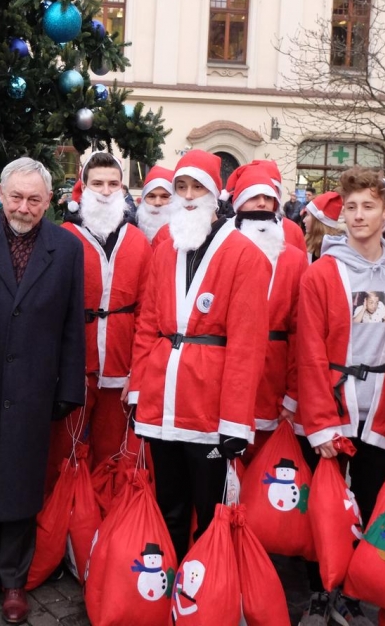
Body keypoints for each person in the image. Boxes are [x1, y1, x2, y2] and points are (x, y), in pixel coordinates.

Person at [0, 157, 84, 624]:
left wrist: (68, 386)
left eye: (33, 199)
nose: (23, 207)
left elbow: (73, 323)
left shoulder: (67, 249)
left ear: (49, 201)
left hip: (34, 386)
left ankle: (14, 581)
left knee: (23, 486)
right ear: (0, 193)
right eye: (16, 197)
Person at [129, 149, 271, 563]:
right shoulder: (165, 248)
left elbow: (248, 348)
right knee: (169, 506)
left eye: (198, 187)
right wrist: (139, 392)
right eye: (182, 187)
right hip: (162, 402)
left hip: (208, 409)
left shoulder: (245, 255)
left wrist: (235, 421)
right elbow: (148, 324)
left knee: (210, 513)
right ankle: (168, 583)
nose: (188, 196)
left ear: (215, 193)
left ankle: (206, 593)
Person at [297, 167, 385, 626]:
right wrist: (320, 423)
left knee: (368, 502)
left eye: (368, 206)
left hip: (382, 407)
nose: (358, 215)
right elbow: (309, 353)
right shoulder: (321, 274)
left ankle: (351, 590)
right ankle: (318, 588)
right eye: (350, 207)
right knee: (322, 506)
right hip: (333, 405)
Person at [48, 152, 151, 480]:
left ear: (123, 188)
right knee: (63, 452)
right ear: (84, 186)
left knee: (112, 457)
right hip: (76, 366)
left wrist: (139, 369)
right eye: (98, 183)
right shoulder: (65, 237)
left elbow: (148, 309)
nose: (106, 191)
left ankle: (106, 525)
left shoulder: (138, 241)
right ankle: (59, 525)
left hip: (121, 368)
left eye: (113, 184)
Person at [227, 166, 308, 461]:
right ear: (238, 204)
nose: (261, 204)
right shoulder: (220, 250)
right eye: (252, 197)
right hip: (227, 375)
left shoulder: (295, 260)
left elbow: (302, 332)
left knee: (266, 471)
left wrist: (293, 394)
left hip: (274, 377)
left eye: (268, 197)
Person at [302, 191, 344, 262]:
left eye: (308, 215)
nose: (303, 220)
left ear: (318, 221)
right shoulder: (310, 242)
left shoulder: (333, 254)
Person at [135, 166, 174, 243]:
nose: (157, 203)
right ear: (143, 199)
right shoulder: (129, 230)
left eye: (164, 197)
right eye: (151, 196)